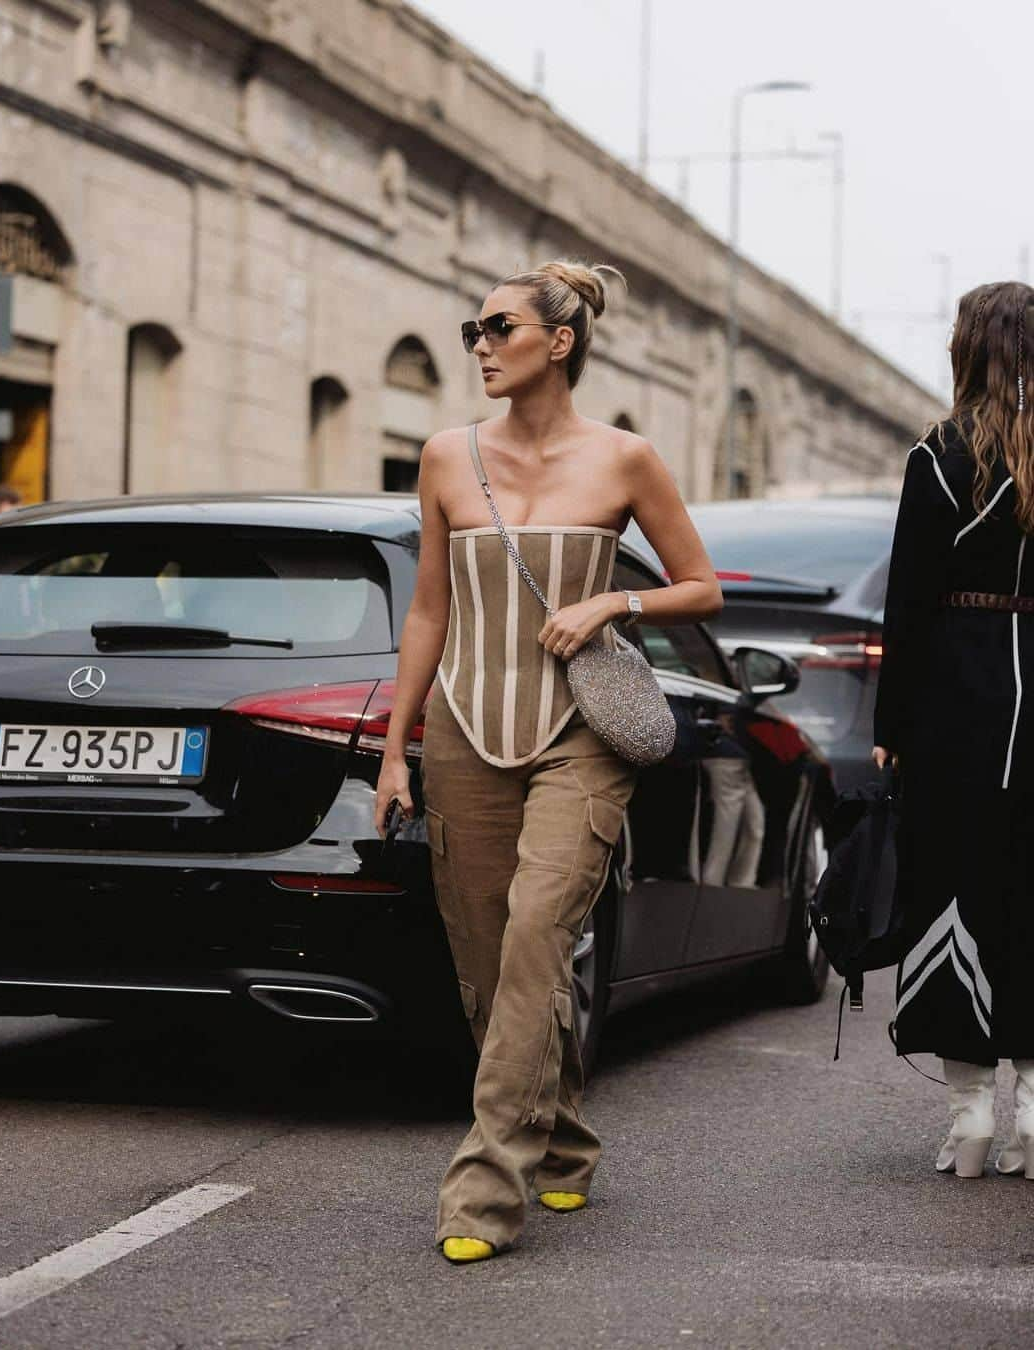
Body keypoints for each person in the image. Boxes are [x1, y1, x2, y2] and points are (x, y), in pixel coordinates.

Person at [374, 260, 722, 1261]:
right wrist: (396, 749)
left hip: (582, 734)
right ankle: (563, 1135)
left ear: (558, 342)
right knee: (490, 969)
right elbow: (430, 609)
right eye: (472, 329)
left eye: (497, 328)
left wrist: (616, 600)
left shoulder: (626, 460)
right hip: (463, 731)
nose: (478, 345)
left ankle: (485, 1188)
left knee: (537, 931)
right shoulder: (446, 456)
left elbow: (700, 588)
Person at [873, 280, 1034, 1179]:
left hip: (954, 702)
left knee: (952, 892)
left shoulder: (936, 456)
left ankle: (971, 1114)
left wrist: (893, 723)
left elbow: (908, 602)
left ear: (967, 351)